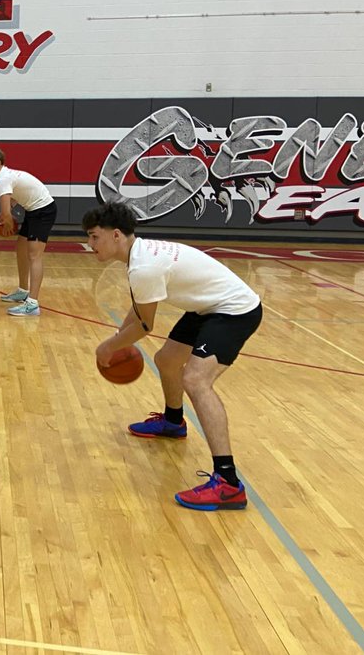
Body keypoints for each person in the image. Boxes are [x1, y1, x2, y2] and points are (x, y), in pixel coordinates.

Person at [82, 201, 263, 511]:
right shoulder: (139, 256)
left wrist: (108, 347)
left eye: (94, 236)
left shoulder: (144, 266)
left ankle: (228, 483)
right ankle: (173, 422)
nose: (90, 244)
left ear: (115, 235)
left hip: (234, 312)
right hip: (205, 308)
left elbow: (143, 325)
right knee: (166, 361)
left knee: (195, 380)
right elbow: (139, 310)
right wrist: (115, 339)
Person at [0, 148, 56, 317]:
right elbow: (12, 201)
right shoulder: (7, 175)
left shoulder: (3, 179)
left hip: (43, 211)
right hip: (34, 210)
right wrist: (1, 218)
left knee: (35, 255)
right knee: (21, 247)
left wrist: (5, 222)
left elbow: (7, 213)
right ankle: (22, 290)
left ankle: (33, 304)